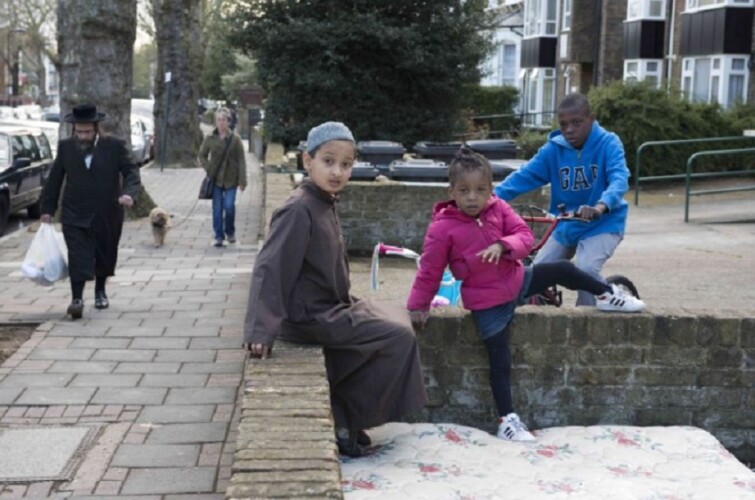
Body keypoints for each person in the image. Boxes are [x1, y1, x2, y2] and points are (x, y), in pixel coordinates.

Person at [407, 148, 645, 441]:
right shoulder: (442, 228)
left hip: (517, 279)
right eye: (464, 190)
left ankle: (607, 295)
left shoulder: (499, 208)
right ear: (451, 191)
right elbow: (429, 270)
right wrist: (418, 305)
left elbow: (524, 236)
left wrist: (503, 246)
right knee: (500, 362)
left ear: (490, 190)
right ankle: (507, 420)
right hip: (487, 303)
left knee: (562, 269)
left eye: (480, 190)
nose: (472, 197)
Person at [244, 121, 427, 457]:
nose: (337, 172)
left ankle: (348, 417)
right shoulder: (298, 209)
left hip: (330, 306)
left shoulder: (322, 201)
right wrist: (260, 329)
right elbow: (270, 267)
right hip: (311, 317)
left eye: (346, 164)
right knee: (398, 335)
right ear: (307, 161)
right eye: (328, 161)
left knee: (399, 317)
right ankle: (345, 420)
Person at [494, 93, 630, 307]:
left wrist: (600, 206)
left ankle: (588, 319)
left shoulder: (608, 143)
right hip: (566, 224)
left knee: (586, 269)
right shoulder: (553, 150)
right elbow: (523, 177)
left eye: (577, 123)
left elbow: (619, 179)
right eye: (564, 124)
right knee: (535, 274)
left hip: (603, 223)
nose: (569, 130)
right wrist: (490, 199)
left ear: (591, 118)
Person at [40, 103, 141, 320]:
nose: (83, 136)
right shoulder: (66, 147)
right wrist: (47, 209)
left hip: (107, 210)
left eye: (87, 132)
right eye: (79, 132)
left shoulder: (114, 146)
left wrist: (129, 194)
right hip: (74, 211)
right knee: (77, 255)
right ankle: (76, 299)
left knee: (104, 252)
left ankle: (100, 290)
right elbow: (54, 179)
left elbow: (131, 171)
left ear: (96, 128)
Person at [198, 107, 247, 247]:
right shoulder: (210, 138)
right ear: (215, 121)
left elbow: (241, 160)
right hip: (216, 179)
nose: (221, 122)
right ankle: (219, 236)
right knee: (217, 209)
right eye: (218, 120)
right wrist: (209, 168)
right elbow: (202, 155)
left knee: (229, 206)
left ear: (228, 121)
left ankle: (230, 231)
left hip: (231, 178)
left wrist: (242, 180)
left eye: (223, 120)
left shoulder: (235, 139)